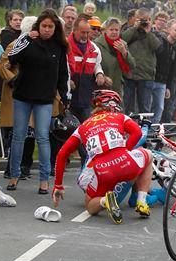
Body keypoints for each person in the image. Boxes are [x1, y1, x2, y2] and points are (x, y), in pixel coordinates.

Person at [52, 90, 153, 224]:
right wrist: (126, 152)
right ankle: (141, 201)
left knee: (89, 204)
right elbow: (138, 132)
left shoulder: (82, 127)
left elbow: (62, 154)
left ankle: (105, 201)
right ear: (111, 104)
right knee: (149, 155)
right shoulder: (120, 117)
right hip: (126, 164)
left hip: (103, 172)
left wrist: (58, 185)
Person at [6, 9, 71, 193]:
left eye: (51, 26)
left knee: (42, 137)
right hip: (23, 95)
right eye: (44, 26)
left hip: (45, 98)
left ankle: (44, 179)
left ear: (55, 28)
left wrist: (65, 96)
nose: (47, 30)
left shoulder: (59, 46)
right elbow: (12, 57)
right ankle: (14, 175)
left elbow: (63, 74)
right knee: (19, 136)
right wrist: (26, 38)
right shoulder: (28, 40)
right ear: (38, 26)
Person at [0, 16, 38, 179]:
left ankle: (23, 167)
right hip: (17, 94)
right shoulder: (15, 44)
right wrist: (14, 79)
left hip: (33, 94)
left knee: (29, 133)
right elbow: (2, 65)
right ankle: (12, 169)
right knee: (18, 133)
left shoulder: (38, 46)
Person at [67, 17, 105, 164]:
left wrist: (99, 73)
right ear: (74, 31)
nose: (85, 35)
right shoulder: (66, 45)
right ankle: (59, 162)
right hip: (68, 96)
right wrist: (67, 80)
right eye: (82, 32)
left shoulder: (94, 48)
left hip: (84, 97)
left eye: (87, 32)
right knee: (64, 131)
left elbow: (97, 64)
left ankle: (86, 162)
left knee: (86, 131)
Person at [122, 8, 161, 114]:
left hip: (146, 75)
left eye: (145, 20)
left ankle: (144, 130)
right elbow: (122, 40)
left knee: (144, 108)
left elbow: (157, 47)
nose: (143, 22)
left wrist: (148, 32)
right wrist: (135, 27)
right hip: (129, 74)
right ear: (135, 19)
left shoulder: (154, 33)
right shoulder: (129, 30)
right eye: (140, 19)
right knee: (125, 105)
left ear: (149, 19)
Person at [94, 17, 136, 97]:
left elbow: (132, 65)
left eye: (116, 30)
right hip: (101, 85)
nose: (114, 32)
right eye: (111, 29)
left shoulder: (122, 44)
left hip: (117, 86)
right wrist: (102, 76)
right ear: (106, 30)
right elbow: (94, 64)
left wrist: (124, 52)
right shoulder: (97, 44)